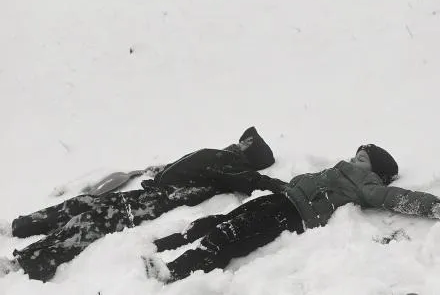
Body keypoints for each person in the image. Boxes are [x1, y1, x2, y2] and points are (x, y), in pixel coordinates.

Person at [0, 127, 280, 282]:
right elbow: (184, 167)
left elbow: (252, 181)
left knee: (91, 221)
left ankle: (27, 264)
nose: (241, 142)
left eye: (247, 143)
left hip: (154, 202)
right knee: (82, 204)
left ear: (250, 154)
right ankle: (19, 226)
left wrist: (283, 187)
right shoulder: (221, 155)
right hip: (150, 191)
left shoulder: (230, 163)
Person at [144, 144, 440, 283]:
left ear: (377, 172)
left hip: (292, 215)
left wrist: (435, 206)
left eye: (361, 159)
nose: (352, 159)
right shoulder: (340, 171)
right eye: (355, 155)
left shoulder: (367, 184)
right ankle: (165, 243)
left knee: (232, 234)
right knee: (220, 220)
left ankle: (177, 269)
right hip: (281, 199)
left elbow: (399, 198)